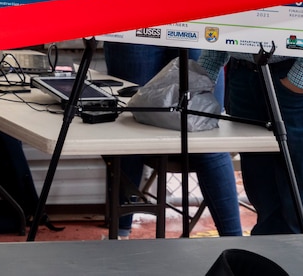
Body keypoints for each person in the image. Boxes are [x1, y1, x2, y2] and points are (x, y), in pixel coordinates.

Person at [103, 43, 242, 237]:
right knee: (132, 124)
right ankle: (119, 233)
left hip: (184, 19)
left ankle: (119, 234)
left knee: (205, 138)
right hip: (147, 20)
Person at [198, 47, 303, 234]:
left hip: (295, 70)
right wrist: (208, 67)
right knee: (264, 199)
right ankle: (270, 261)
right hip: (244, 72)